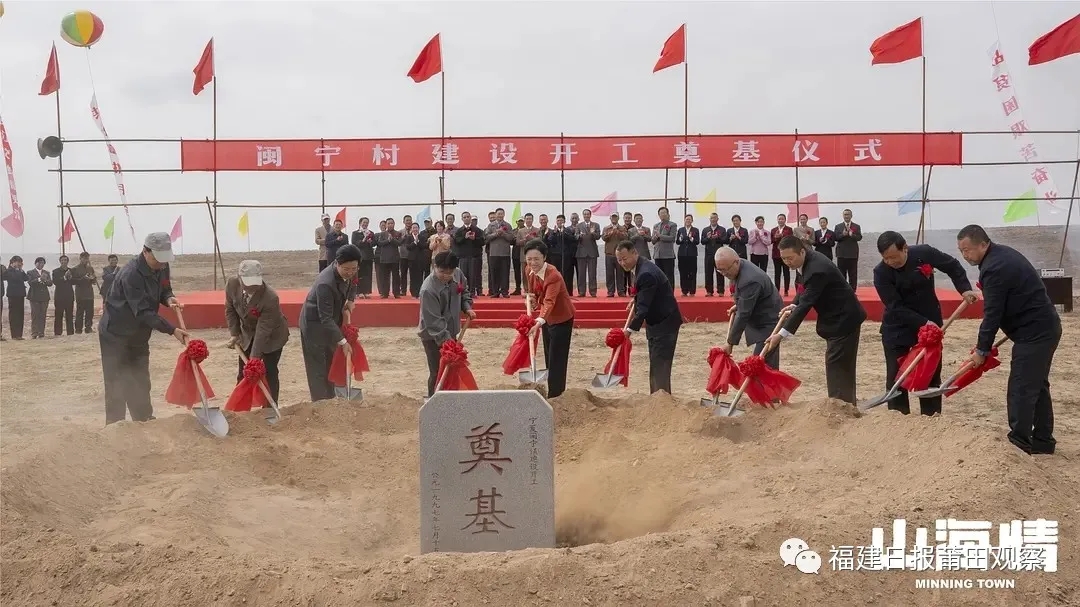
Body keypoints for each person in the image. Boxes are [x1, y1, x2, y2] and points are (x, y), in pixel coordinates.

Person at [957, 225, 1061, 455]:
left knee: (1021, 387)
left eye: (968, 250)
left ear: (983, 244)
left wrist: (982, 350)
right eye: (961, 251)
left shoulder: (995, 267)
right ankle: (1043, 440)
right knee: (1036, 384)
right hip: (1043, 327)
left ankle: (1019, 443)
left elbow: (992, 313)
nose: (965, 255)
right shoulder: (999, 256)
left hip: (1035, 333)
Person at [874, 231, 977, 416]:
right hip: (898, 328)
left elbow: (952, 265)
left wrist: (964, 289)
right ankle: (897, 420)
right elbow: (895, 306)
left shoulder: (924, 253)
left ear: (905, 248)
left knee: (930, 374)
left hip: (930, 326)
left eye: (894, 257)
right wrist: (924, 323)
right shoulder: (881, 272)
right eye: (886, 258)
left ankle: (931, 419)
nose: (890, 262)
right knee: (897, 377)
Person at [99, 233, 188, 425]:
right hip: (115, 333)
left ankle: (143, 419)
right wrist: (172, 330)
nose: (162, 264)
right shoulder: (131, 274)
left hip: (139, 334)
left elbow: (165, 288)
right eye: (158, 259)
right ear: (145, 251)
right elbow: (143, 311)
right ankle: (115, 425)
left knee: (140, 376)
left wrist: (168, 298)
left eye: (164, 260)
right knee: (116, 380)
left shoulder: (162, 266)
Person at [765, 236, 866, 404]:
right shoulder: (805, 262)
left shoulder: (817, 269)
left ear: (801, 251)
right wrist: (793, 305)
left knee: (837, 363)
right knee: (839, 363)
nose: (787, 262)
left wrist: (781, 335)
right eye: (783, 259)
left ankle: (840, 405)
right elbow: (802, 289)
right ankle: (844, 403)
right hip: (835, 318)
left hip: (844, 318)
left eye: (790, 258)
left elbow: (806, 303)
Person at [615, 240, 683, 394]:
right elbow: (646, 293)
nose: (622, 263)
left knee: (660, 364)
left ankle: (661, 399)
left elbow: (643, 309)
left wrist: (629, 330)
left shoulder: (646, 273)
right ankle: (656, 397)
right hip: (657, 322)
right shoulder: (641, 267)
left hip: (664, 323)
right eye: (619, 260)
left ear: (634, 253)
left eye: (624, 259)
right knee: (656, 362)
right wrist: (636, 299)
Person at [299, 244, 360, 401]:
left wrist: (351, 300)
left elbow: (353, 282)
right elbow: (325, 318)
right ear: (337, 263)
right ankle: (320, 403)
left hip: (331, 320)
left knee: (331, 362)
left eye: (354, 268)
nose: (350, 272)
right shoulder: (325, 283)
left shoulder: (351, 268)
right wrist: (343, 341)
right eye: (346, 269)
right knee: (318, 367)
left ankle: (331, 398)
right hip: (314, 325)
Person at [225, 260, 290, 404]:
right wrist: (235, 334)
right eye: (247, 283)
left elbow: (263, 330)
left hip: (272, 336)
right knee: (244, 372)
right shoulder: (232, 284)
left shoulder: (270, 297)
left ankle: (270, 408)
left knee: (269, 371)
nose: (251, 287)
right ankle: (240, 408)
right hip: (247, 334)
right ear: (239, 278)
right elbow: (230, 309)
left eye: (255, 283)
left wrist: (254, 359)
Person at [418, 251, 476, 397]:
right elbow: (434, 322)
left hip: (451, 331)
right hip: (433, 336)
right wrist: (449, 344)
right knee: (438, 371)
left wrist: (467, 307)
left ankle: (449, 398)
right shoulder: (428, 290)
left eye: (449, 273)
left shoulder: (458, 274)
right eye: (442, 272)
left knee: (451, 369)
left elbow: (464, 293)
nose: (446, 276)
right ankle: (433, 400)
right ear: (434, 266)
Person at [523, 239, 576, 398]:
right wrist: (532, 300)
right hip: (546, 318)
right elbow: (534, 292)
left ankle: (556, 395)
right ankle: (551, 389)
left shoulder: (553, 275)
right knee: (548, 354)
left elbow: (549, 301)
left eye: (536, 259)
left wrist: (539, 321)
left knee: (557, 358)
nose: (533, 263)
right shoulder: (528, 269)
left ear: (544, 257)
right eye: (529, 259)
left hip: (561, 318)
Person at [714, 247, 783, 369]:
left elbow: (743, 314)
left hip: (769, 320)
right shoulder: (739, 266)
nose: (724, 274)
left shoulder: (750, 280)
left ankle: (766, 382)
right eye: (720, 270)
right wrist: (740, 304)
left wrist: (730, 343)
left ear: (736, 262)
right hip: (761, 314)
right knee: (762, 365)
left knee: (762, 364)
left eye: (725, 270)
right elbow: (746, 299)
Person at [834, 208, 862, 288]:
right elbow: (835, 238)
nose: (846, 216)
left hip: (852, 254)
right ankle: (843, 290)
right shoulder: (838, 226)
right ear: (843, 216)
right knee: (841, 274)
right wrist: (843, 235)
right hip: (841, 254)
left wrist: (852, 235)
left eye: (848, 214)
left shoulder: (856, 226)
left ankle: (853, 290)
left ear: (851, 216)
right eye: (845, 214)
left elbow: (859, 237)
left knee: (853, 274)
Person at [71, 251, 98, 333]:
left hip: (89, 293)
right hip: (80, 294)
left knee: (90, 312)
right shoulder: (75, 269)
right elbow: (73, 281)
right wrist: (83, 278)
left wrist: (93, 279)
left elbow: (93, 280)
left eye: (87, 258)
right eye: (84, 258)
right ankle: (78, 329)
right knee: (80, 312)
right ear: (80, 258)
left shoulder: (90, 268)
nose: (86, 260)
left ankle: (88, 328)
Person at [26, 258, 52, 339]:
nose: (41, 264)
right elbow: (30, 283)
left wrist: (45, 281)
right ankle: (34, 333)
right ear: (36, 263)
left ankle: (41, 332)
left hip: (44, 296)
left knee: (43, 314)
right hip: (34, 296)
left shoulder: (47, 272)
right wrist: (39, 279)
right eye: (39, 263)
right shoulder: (30, 272)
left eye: (43, 263)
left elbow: (50, 283)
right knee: (35, 314)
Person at [351, 217, 375, 298]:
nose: (365, 224)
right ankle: (359, 292)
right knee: (359, 274)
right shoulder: (355, 233)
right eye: (364, 222)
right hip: (360, 256)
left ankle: (366, 291)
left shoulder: (371, 233)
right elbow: (354, 243)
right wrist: (363, 240)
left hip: (368, 256)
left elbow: (374, 243)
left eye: (367, 222)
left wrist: (370, 242)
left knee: (367, 274)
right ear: (360, 223)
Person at [4, 256, 27, 340]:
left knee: (20, 314)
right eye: (18, 262)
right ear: (12, 262)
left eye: (20, 262)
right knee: (14, 315)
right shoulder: (8, 271)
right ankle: (14, 335)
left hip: (20, 295)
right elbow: (15, 278)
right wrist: (18, 270)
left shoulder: (20, 270)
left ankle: (19, 334)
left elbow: (26, 278)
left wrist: (21, 270)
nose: (19, 264)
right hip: (13, 295)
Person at [52, 255, 75, 336]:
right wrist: (64, 277)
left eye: (65, 260)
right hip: (59, 297)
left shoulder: (71, 270)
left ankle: (70, 332)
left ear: (67, 261)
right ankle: (58, 333)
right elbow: (55, 282)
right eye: (62, 260)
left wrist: (71, 278)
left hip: (69, 296)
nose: (64, 261)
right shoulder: (55, 271)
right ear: (60, 261)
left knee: (69, 315)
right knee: (58, 315)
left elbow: (74, 282)